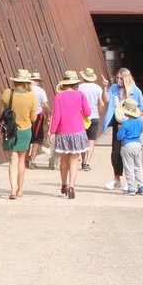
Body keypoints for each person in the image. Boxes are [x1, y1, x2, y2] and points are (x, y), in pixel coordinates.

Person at [101, 67, 143, 191]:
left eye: (121, 78)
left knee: (128, 153)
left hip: (129, 124)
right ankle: (116, 178)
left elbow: (142, 109)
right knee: (116, 152)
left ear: (126, 78)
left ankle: (129, 181)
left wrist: (131, 121)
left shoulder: (135, 91)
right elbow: (106, 99)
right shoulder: (114, 88)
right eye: (117, 78)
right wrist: (105, 87)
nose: (118, 80)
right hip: (117, 123)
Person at [49, 71, 92, 199]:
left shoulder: (59, 97)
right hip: (78, 130)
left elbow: (57, 116)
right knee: (74, 160)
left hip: (63, 131)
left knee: (64, 160)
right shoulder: (81, 95)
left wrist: (52, 131)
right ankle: (72, 187)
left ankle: (63, 184)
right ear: (75, 84)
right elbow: (88, 112)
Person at [0, 69, 40, 199]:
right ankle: (20, 190)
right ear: (26, 83)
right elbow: (33, 118)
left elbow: (1, 113)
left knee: (12, 159)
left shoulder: (7, 94)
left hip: (11, 131)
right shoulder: (31, 96)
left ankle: (12, 190)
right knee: (22, 160)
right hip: (25, 131)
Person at [117, 98, 143, 195]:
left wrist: (119, 129)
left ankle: (131, 188)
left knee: (129, 167)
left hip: (127, 145)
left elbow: (119, 137)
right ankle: (141, 187)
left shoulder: (125, 124)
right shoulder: (140, 121)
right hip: (138, 144)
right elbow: (141, 131)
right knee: (138, 166)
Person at [76, 67, 102, 172]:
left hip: (81, 117)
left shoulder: (79, 87)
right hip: (94, 116)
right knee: (91, 141)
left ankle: (82, 160)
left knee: (82, 140)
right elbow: (102, 103)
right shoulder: (98, 88)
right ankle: (87, 162)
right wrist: (98, 112)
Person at [27, 71, 50, 168]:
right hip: (37, 116)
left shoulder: (26, 89)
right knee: (37, 139)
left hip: (26, 116)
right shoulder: (41, 91)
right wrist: (48, 116)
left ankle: (25, 159)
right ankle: (32, 160)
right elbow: (46, 105)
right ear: (38, 81)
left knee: (27, 138)